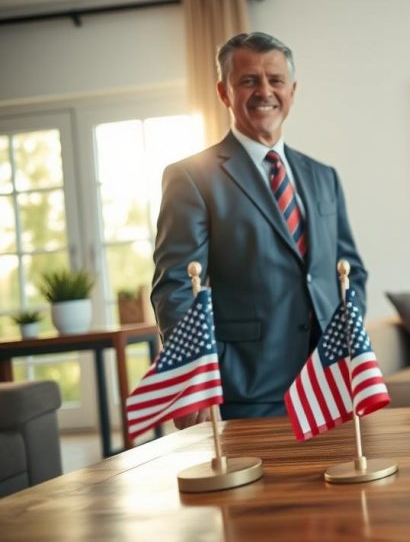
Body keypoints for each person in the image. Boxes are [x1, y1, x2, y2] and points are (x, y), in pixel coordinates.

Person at [151, 32, 367, 427]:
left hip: (333, 381)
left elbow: (350, 270)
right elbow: (176, 284)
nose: (264, 91)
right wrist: (192, 373)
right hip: (245, 387)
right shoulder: (191, 177)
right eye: (248, 80)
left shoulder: (323, 177)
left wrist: (349, 341)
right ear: (224, 92)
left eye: (275, 80)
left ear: (292, 90)